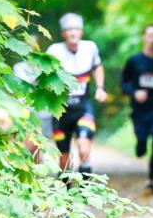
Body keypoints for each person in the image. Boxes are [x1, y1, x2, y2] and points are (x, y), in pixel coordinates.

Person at [46, 13, 108, 175]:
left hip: (83, 108)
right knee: (64, 157)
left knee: (83, 144)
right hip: (61, 111)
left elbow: (98, 66)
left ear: (81, 32)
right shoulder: (54, 50)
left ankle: (85, 188)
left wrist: (100, 88)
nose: (73, 32)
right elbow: (45, 76)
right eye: (69, 29)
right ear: (63, 33)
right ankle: (67, 192)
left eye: (76, 29)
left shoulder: (90, 48)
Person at [121, 24, 153, 195]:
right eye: (149, 35)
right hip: (140, 110)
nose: (152, 39)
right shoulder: (134, 61)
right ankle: (140, 143)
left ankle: (151, 180)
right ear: (144, 37)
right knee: (142, 146)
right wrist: (134, 92)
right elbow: (123, 83)